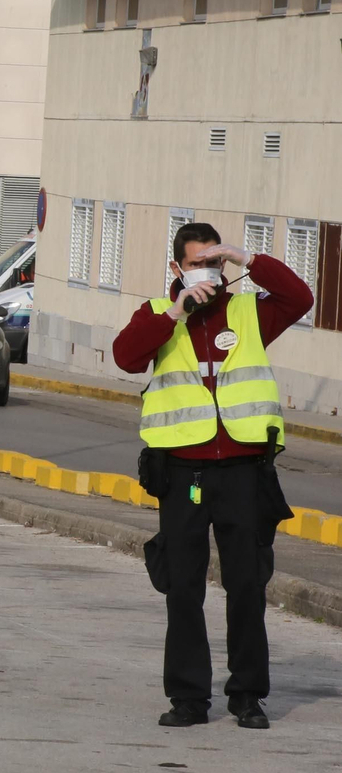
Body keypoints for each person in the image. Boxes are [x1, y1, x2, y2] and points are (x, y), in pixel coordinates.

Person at [114, 223, 311, 731]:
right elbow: (126, 356)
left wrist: (248, 258)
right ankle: (188, 698)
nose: (208, 274)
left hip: (244, 470)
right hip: (182, 472)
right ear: (177, 269)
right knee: (183, 587)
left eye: (215, 263)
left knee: (247, 583)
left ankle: (247, 695)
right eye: (197, 264)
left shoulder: (248, 311)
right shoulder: (159, 315)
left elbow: (299, 297)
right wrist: (177, 309)